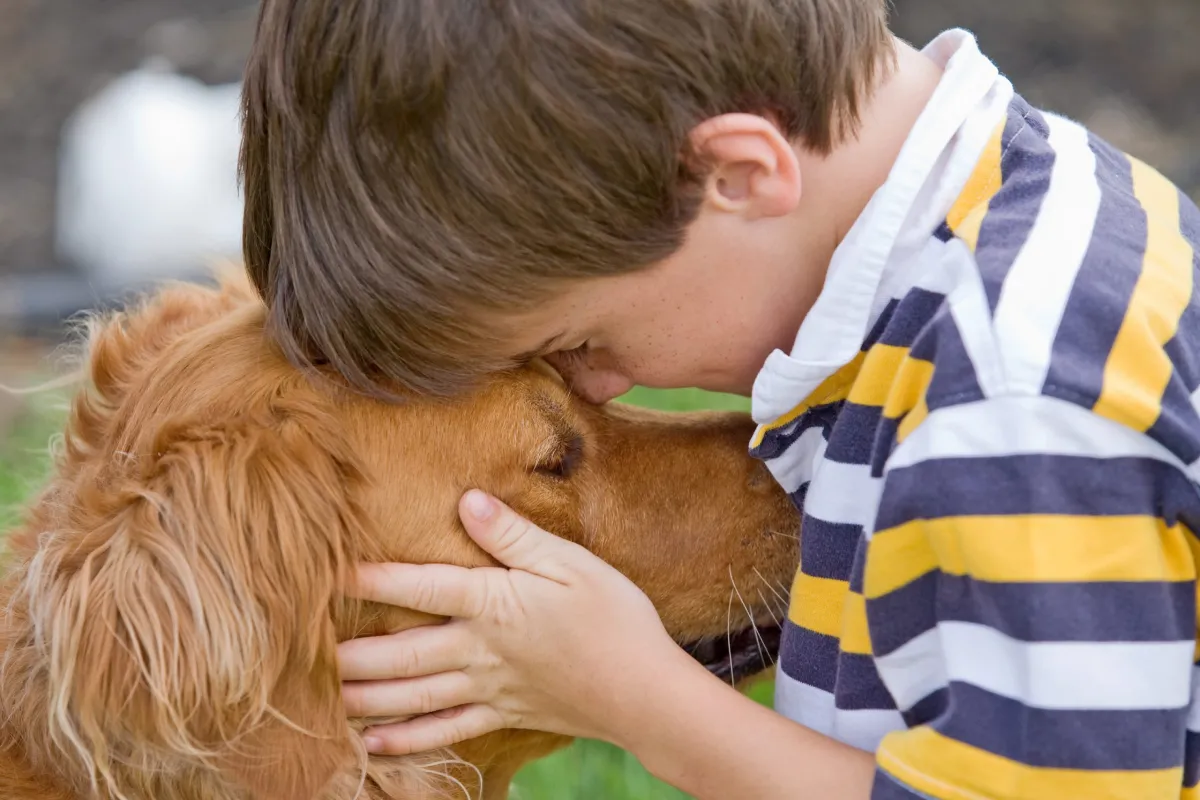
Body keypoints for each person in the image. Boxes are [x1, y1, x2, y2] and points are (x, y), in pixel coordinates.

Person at [238, 0, 1200, 797]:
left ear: (737, 176)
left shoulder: (1009, 397)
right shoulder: (1035, 220)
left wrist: (640, 700)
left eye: (580, 342)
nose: (602, 381)